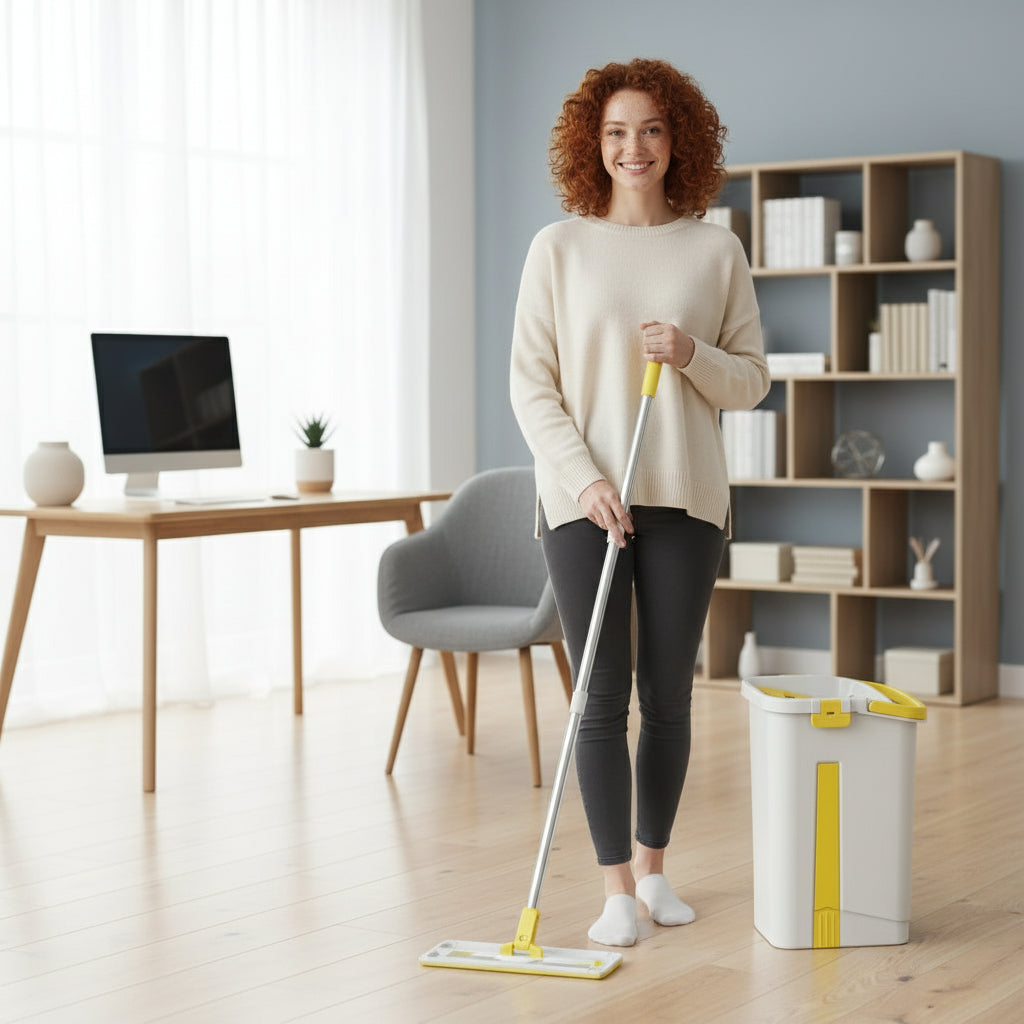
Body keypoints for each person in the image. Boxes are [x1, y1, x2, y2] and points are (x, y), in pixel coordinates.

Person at [509, 58, 770, 948]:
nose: (634, 148)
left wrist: (693, 351)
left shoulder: (714, 249)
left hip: (685, 499)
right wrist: (585, 480)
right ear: (594, 143)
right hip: (585, 502)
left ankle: (655, 873)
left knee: (668, 697)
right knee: (599, 696)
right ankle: (614, 887)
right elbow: (531, 387)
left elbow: (752, 384)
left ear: (677, 140)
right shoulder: (559, 248)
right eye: (616, 132)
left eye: (651, 129)